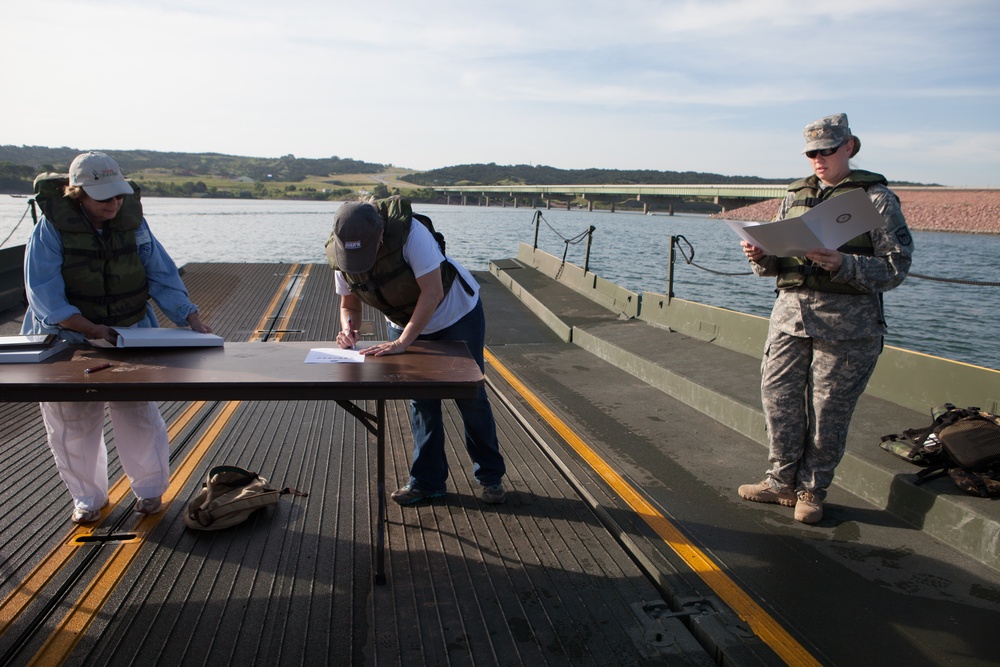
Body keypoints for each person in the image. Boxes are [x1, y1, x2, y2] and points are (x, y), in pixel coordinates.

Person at [737, 114, 913, 524]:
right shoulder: (795, 195)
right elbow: (776, 267)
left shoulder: (876, 199)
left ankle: (811, 490)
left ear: (849, 147)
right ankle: (779, 481)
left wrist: (843, 263)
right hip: (789, 319)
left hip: (847, 326)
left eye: (827, 151)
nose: (818, 159)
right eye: (812, 153)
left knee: (829, 411)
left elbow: (896, 267)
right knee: (777, 401)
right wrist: (761, 257)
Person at [22, 151, 212, 524]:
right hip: (68, 337)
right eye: (104, 197)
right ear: (78, 193)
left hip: (128, 331)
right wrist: (90, 329)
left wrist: (190, 317)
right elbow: (42, 292)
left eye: (118, 195)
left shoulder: (134, 224)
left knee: (137, 409)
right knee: (72, 419)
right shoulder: (49, 230)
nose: (113, 204)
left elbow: (161, 273)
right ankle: (88, 499)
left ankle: (149, 490)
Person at [325, 198, 507, 505]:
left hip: (455, 315)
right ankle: (427, 481)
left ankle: (490, 477)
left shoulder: (413, 235)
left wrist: (402, 343)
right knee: (422, 399)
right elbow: (349, 304)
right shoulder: (343, 252)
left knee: (470, 396)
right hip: (402, 322)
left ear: (380, 234)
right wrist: (348, 329)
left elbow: (433, 292)